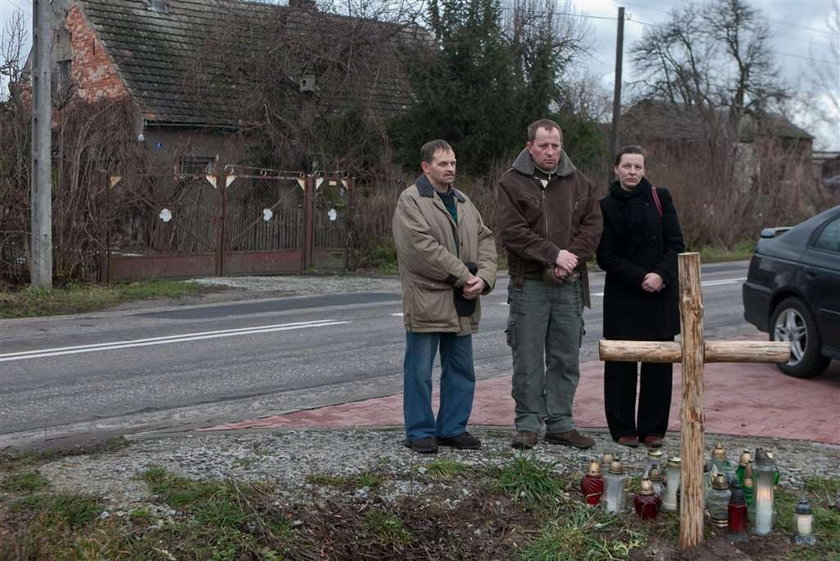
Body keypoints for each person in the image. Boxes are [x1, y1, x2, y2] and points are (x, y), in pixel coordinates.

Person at [497, 119, 602, 450]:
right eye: (543, 145)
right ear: (530, 146)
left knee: (565, 357)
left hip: (569, 285)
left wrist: (569, 259)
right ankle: (527, 423)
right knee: (527, 357)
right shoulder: (511, 183)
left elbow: (593, 228)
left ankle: (560, 423)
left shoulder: (581, 183)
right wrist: (553, 255)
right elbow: (513, 231)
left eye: (555, 145)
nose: (550, 152)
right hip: (528, 285)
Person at [392, 139, 497, 454]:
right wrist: (464, 275)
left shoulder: (464, 201)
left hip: (462, 301)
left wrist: (485, 278)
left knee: (462, 369)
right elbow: (419, 249)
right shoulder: (411, 201)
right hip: (427, 299)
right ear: (426, 167)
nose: (450, 168)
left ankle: (452, 428)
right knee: (420, 371)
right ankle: (420, 431)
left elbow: (486, 240)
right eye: (443, 163)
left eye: (453, 163)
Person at [596, 145, 685, 449]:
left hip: (660, 295)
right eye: (627, 166)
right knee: (621, 365)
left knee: (658, 365)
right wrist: (639, 277)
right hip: (623, 296)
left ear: (645, 170)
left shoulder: (662, 198)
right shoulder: (605, 206)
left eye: (638, 167)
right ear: (616, 169)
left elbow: (676, 244)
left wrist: (660, 274)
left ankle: (653, 429)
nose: (632, 172)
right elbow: (605, 255)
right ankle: (623, 428)